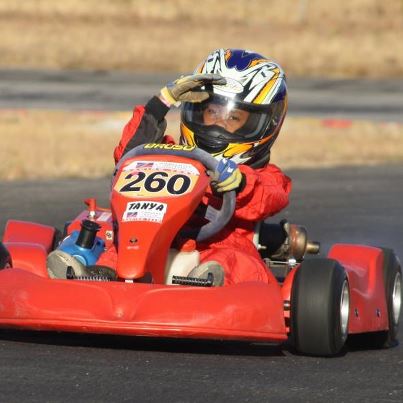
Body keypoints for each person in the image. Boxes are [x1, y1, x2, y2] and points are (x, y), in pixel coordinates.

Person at [109, 48, 292, 285]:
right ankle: (94, 275)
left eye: (233, 118)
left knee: (236, 261)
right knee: (109, 243)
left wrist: (240, 183)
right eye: (212, 112)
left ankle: (205, 286)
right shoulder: (168, 153)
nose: (219, 123)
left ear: (266, 124)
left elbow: (271, 194)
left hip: (215, 245)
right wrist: (160, 103)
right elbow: (128, 157)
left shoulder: (263, 175)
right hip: (148, 238)